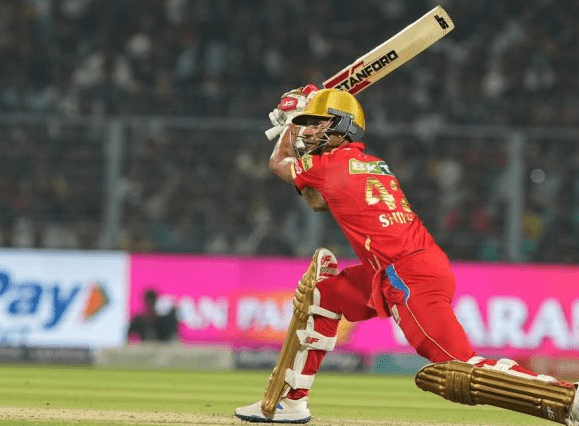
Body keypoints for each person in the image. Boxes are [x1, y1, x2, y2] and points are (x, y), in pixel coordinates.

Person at [234, 87, 579, 424]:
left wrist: (287, 124)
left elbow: (278, 163)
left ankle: (568, 399)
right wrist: (299, 123)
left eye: (315, 122)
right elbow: (319, 200)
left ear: (341, 125)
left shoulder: (326, 166)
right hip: (403, 267)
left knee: (460, 367)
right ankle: (291, 401)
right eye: (305, 123)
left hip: (407, 274)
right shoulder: (370, 163)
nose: (308, 131)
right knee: (324, 295)